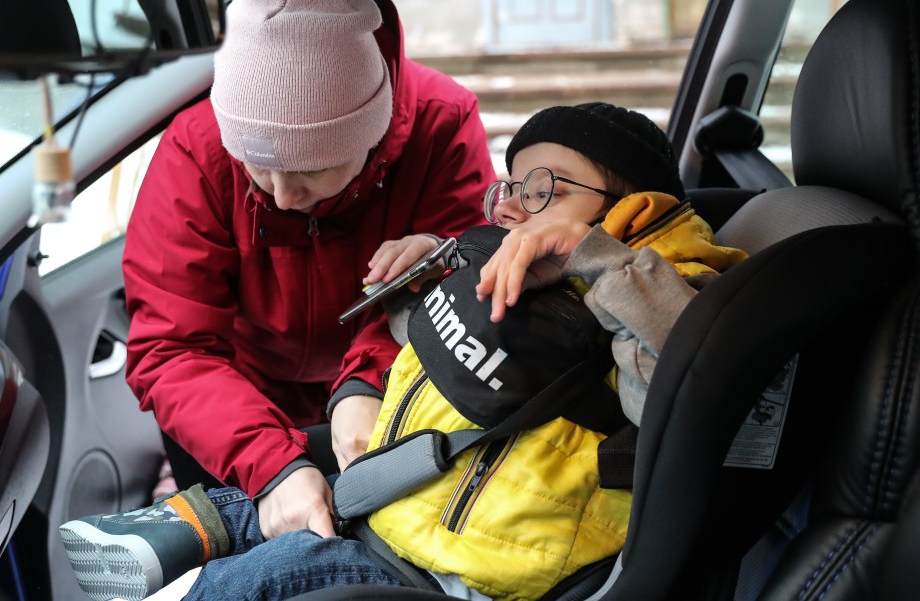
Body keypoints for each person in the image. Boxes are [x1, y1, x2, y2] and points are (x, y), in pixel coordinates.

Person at [60, 102, 748, 601]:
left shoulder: (673, 285)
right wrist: (423, 279)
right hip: (409, 500)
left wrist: (594, 255)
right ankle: (196, 524)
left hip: (467, 565)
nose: (512, 206)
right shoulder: (531, 269)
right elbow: (440, 353)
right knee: (289, 486)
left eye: (545, 190)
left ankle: (199, 574)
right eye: (511, 187)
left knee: (264, 576)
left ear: (635, 203)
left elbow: (680, 389)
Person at [120, 0, 495, 550]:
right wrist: (269, 463)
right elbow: (173, 346)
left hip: (397, 385)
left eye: (311, 171)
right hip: (233, 401)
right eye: (257, 169)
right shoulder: (198, 147)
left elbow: (457, 281)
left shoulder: (440, 125)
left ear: (371, 135)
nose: (281, 197)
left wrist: (367, 383)